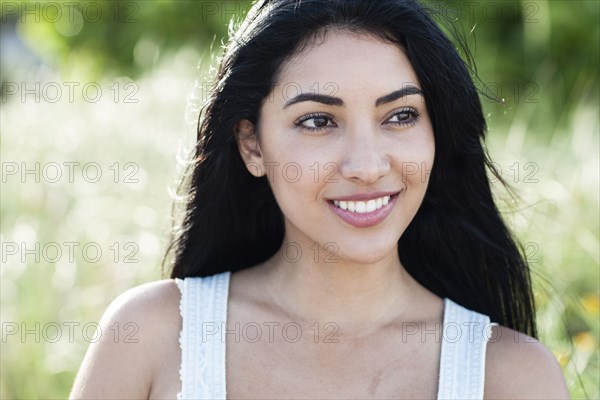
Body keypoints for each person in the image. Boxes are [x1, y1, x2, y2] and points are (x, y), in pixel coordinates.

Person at [70, 0, 570, 398]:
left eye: (400, 116)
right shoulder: (150, 336)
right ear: (252, 145)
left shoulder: (511, 377)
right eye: (318, 121)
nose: (368, 165)